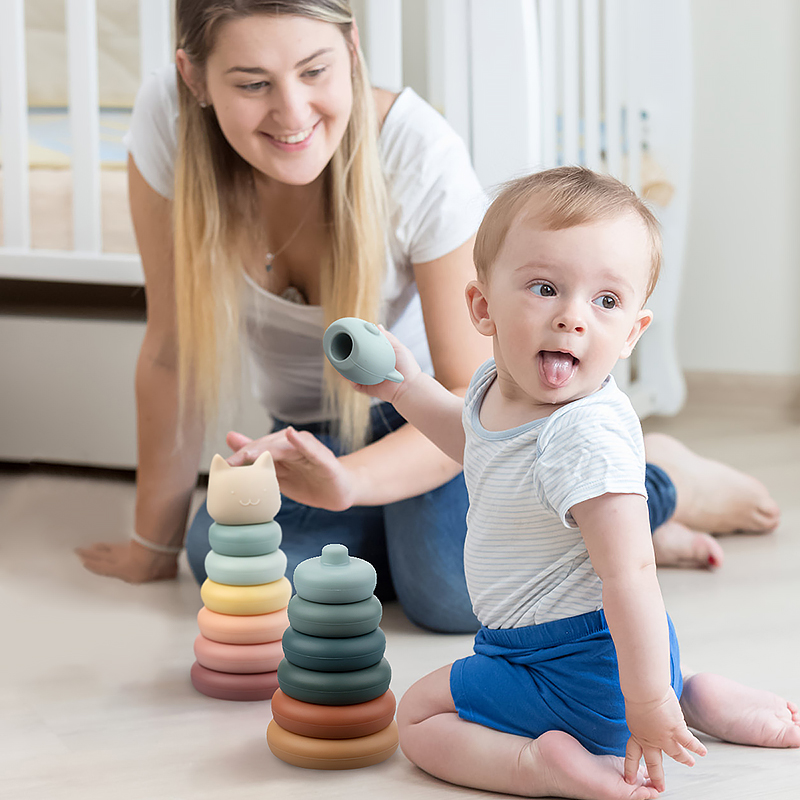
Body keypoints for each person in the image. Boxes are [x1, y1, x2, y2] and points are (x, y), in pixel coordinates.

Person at [76, 0, 779, 634]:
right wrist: (151, 548)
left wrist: (350, 487)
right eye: (252, 83)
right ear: (193, 79)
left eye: (315, 70)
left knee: (446, 591)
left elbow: (473, 403)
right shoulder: (168, 125)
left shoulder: (418, 154)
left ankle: (648, 481)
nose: (292, 113)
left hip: (446, 420)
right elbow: (171, 352)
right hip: (320, 431)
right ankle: (568, 527)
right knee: (222, 556)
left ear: (351, 49)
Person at [349, 167, 800, 798]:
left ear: (630, 335)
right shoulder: (495, 391)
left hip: (572, 667)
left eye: (606, 301)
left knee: (419, 716)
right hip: (617, 657)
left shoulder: (583, 435)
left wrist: (640, 704)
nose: (572, 317)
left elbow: (633, 575)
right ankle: (691, 693)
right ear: (483, 307)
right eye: (544, 287)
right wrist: (403, 387)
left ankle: (539, 764)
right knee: (643, 684)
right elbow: (476, 447)